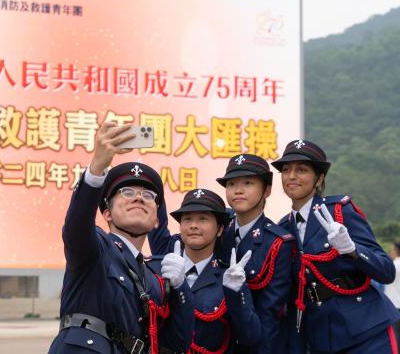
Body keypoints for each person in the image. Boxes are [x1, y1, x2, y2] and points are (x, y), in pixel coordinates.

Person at [48, 122, 193, 354]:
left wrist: (180, 288)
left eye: (148, 195)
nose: (138, 198)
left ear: (156, 221)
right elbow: (76, 224)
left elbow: (177, 343)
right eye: (127, 192)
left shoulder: (154, 278)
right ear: (106, 213)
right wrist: (96, 169)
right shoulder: (95, 247)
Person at [274, 139, 399, 353]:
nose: (292, 176)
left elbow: (386, 271)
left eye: (302, 169)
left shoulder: (340, 212)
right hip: (320, 336)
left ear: (319, 178)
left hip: (366, 330)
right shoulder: (283, 229)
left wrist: (352, 250)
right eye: (286, 170)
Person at [149, 187, 262, 353]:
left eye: (203, 219)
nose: (194, 225)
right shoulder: (158, 268)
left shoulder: (230, 277)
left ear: (220, 229)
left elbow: (250, 336)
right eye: (187, 219)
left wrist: (235, 294)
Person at [216, 153, 295, 354]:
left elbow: (270, 313)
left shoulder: (278, 242)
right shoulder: (218, 229)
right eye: (231, 184)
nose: (238, 190)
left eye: (248, 183)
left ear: (266, 190)